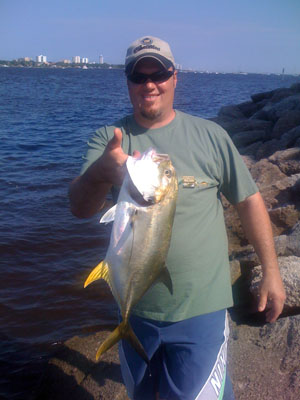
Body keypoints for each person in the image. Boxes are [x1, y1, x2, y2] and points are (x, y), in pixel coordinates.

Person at [69, 36, 286, 400]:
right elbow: (79, 207)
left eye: (160, 73)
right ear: (127, 81)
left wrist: (272, 272)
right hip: (136, 311)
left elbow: (248, 201)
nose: (150, 84)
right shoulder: (110, 139)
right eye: (139, 76)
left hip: (202, 311)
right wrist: (100, 172)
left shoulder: (211, 135)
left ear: (175, 77)